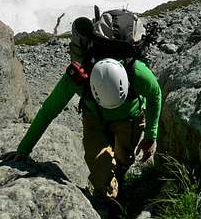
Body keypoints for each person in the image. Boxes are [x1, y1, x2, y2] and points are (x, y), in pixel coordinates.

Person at [14, 57, 162, 206]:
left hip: (130, 118)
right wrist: (24, 148)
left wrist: (150, 136)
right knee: (100, 168)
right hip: (95, 119)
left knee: (124, 158)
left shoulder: (137, 72)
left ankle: (119, 179)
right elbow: (48, 111)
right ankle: (108, 202)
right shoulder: (77, 78)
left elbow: (155, 94)